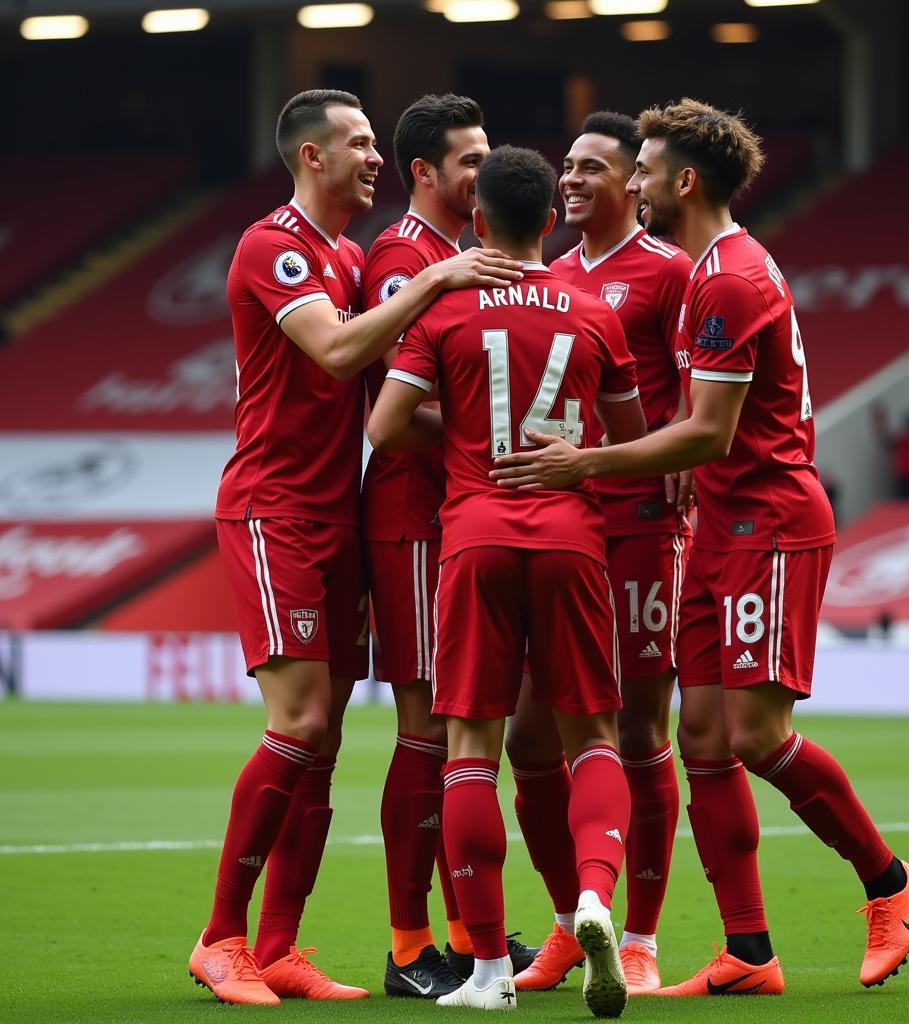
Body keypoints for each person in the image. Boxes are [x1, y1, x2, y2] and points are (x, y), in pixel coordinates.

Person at [490, 98, 909, 996]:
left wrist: (589, 464)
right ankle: (749, 951)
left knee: (757, 735)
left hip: (767, 521)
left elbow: (708, 434)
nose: (636, 184)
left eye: (644, 170)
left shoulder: (729, 279)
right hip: (722, 528)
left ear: (682, 181)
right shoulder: (708, 272)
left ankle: (891, 883)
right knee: (702, 741)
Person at [188, 88, 523, 1006]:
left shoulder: (343, 254)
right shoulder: (276, 245)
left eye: (377, 142)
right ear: (310, 156)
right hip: (274, 509)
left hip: (337, 513)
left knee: (326, 739)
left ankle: (282, 946)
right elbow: (338, 356)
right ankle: (221, 939)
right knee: (296, 725)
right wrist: (434, 281)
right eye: (359, 142)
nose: (373, 157)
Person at [367, 145, 646, 1017]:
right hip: (571, 538)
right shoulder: (595, 310)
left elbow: (384, 426)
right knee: (594, 735)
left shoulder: (444, 310)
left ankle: (487, 972)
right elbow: (627, 439)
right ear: (549, 222)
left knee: (470, 755)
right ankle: (594, 897)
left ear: (477, 220)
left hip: (475, 536)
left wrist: (468, 440)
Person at [506, 111, 693, 996]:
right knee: (528, 735)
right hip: (559, 529)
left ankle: (646, 935)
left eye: (591, 169)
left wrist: (682, 469)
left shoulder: (670, 273)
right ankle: (569, 917)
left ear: (635, 186)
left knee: (637, 729)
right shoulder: (548, 279)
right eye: (566, 169)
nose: (571, 180)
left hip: (641, 527)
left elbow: (703, 406)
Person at [361, 92, 536, 998]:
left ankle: (479, 935)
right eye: (469, 159)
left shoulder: (475, 257)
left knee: (472, 734)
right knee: (429, 730)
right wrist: (486, 436)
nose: (484, 171)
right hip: (418, 518)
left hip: (470, 515)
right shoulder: (405, 258)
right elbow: (384, 411)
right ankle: (407, 944)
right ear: (424, 173)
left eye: (489, 155)